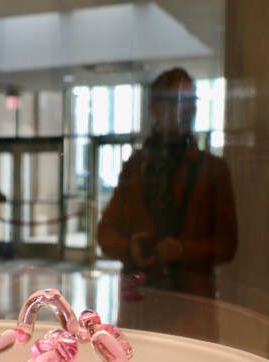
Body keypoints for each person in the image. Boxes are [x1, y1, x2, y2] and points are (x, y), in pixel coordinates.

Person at [97, 67, 238, 339]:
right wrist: (132, 248)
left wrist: (182, 250)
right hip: (141, 308)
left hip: (192, 311)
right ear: (154, 109)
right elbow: (105, 235)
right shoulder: (136, 167)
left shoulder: (213, 169)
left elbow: (227, 245)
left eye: (190, 102)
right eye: (175, 101)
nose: (185, 110)